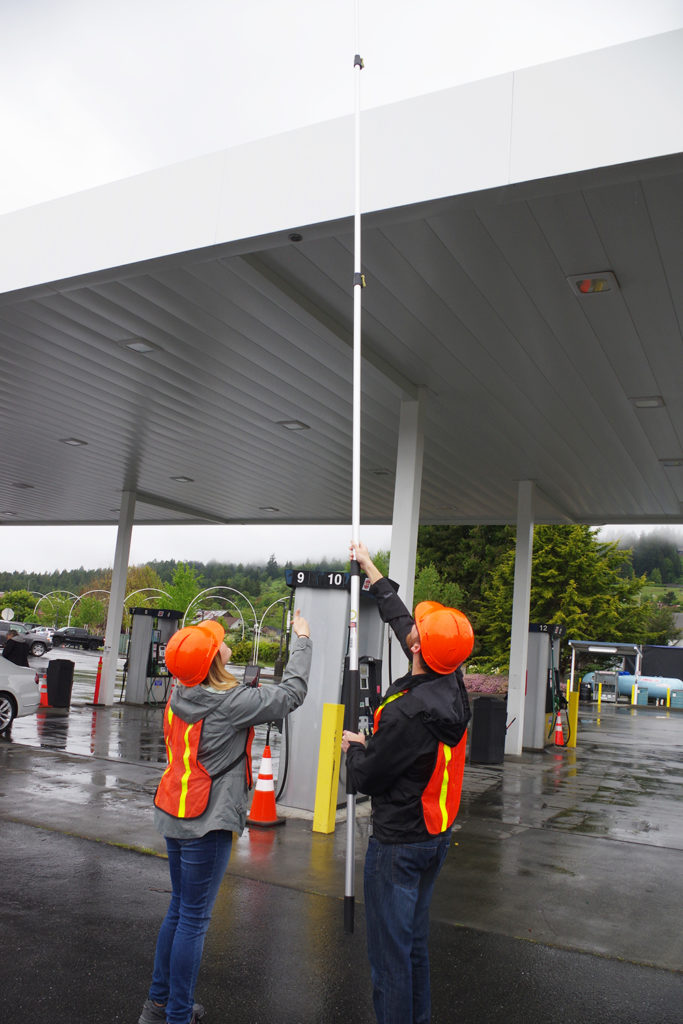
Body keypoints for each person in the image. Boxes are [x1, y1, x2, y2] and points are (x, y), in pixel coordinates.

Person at [139, 612, 312, 1024]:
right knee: (194, 919)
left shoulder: (178, 694)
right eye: (219, 640)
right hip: (207, 820)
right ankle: (177, 1014)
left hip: (174, 811)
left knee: (180, 911)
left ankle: (157, 1005)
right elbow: (291, 694)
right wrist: (302, 641)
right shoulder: (231, 704)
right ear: (215, 658)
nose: (225, 641)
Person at [342, 541, 473, 1024]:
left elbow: (369, 777)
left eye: (417, 630)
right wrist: (374, 573)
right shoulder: (451, 686)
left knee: (390, 963)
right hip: (433, 838)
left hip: (398, 846)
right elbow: (404, 626)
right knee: (413, 948)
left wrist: (354, 750)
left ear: (419, 649)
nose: (410, 629)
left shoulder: (405, 714)